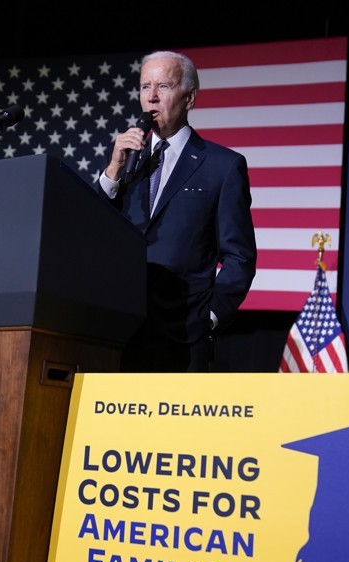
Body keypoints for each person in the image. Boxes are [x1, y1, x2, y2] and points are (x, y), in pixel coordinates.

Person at [97, 50, 257, 372]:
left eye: (164, 87)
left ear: (189, 98)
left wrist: (209, 317)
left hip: (183, 335)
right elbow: (94, 229)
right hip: (119, 329)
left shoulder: (222, 166)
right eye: (145, 87)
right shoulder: (128, 160)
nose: (151, 98)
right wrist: (112, 171)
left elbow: (240, 256)